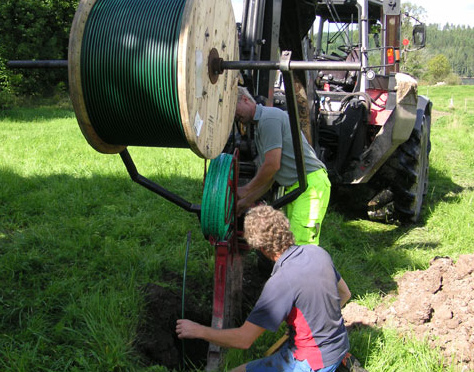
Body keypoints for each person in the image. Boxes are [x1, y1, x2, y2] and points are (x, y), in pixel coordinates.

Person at [176, 205, 351, 372]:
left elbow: (244, 339)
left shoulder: (280, 282)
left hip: (312, 363)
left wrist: (198, 330)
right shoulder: (317, 252)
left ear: (260, 247)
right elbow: (345, 294)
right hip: (340, 346)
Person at [235, 86, 331, 246]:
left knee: (302, 245)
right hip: (297, 187)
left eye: (233, 108)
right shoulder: (260, 126)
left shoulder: (269, 119)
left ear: (246, 99)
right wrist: (246, 201)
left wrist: (246, 190)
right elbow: (270, 177)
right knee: (291, 244)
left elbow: (272, 165)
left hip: (311, 185)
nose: (234, 115)